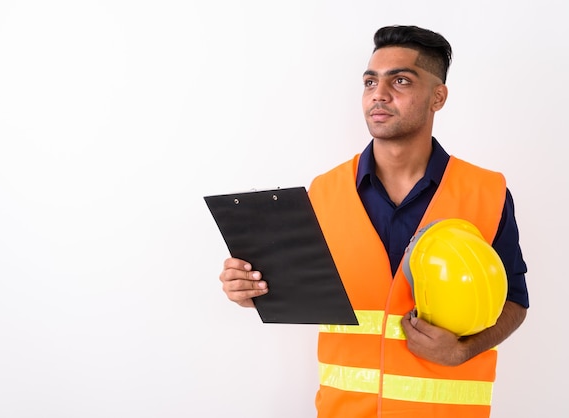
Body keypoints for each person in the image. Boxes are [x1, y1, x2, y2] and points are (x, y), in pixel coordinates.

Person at [218, 25, 529, 418]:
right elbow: (297, 287)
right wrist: (250, 288)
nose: (379, 94)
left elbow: (515, 300)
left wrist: (463, 350)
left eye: (400, 80)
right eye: (370, 82)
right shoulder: (324, 192)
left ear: (438, 96)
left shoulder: (488, 192)